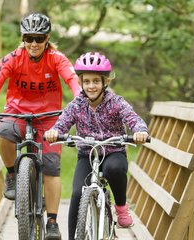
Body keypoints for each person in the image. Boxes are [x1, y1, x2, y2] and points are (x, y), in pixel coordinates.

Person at [0, 12, 81, 239]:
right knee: (4, 132)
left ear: (47, 38)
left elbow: (73, 80)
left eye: (39, 39)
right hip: (18, 112)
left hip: (49, 116)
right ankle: (12, 174)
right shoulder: (13, 58)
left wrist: (80, 103)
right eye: (29, 38)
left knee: (51, 168)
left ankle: (51, 222)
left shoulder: (57, 58)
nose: (33, 43)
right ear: (23, 38)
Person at [44, 52, 149, 239]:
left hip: (113, 151)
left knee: (115, 169)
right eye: (86, 81)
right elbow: (62, 123)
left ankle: (121, 209)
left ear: (105, 82)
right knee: (77, 194)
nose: (91, 86)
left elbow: (134, 119)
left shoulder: (116, 102)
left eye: (96, 81)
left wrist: (140, 131)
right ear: (81, 83)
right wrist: (54, 132)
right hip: (87, 154)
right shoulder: (76, 105)